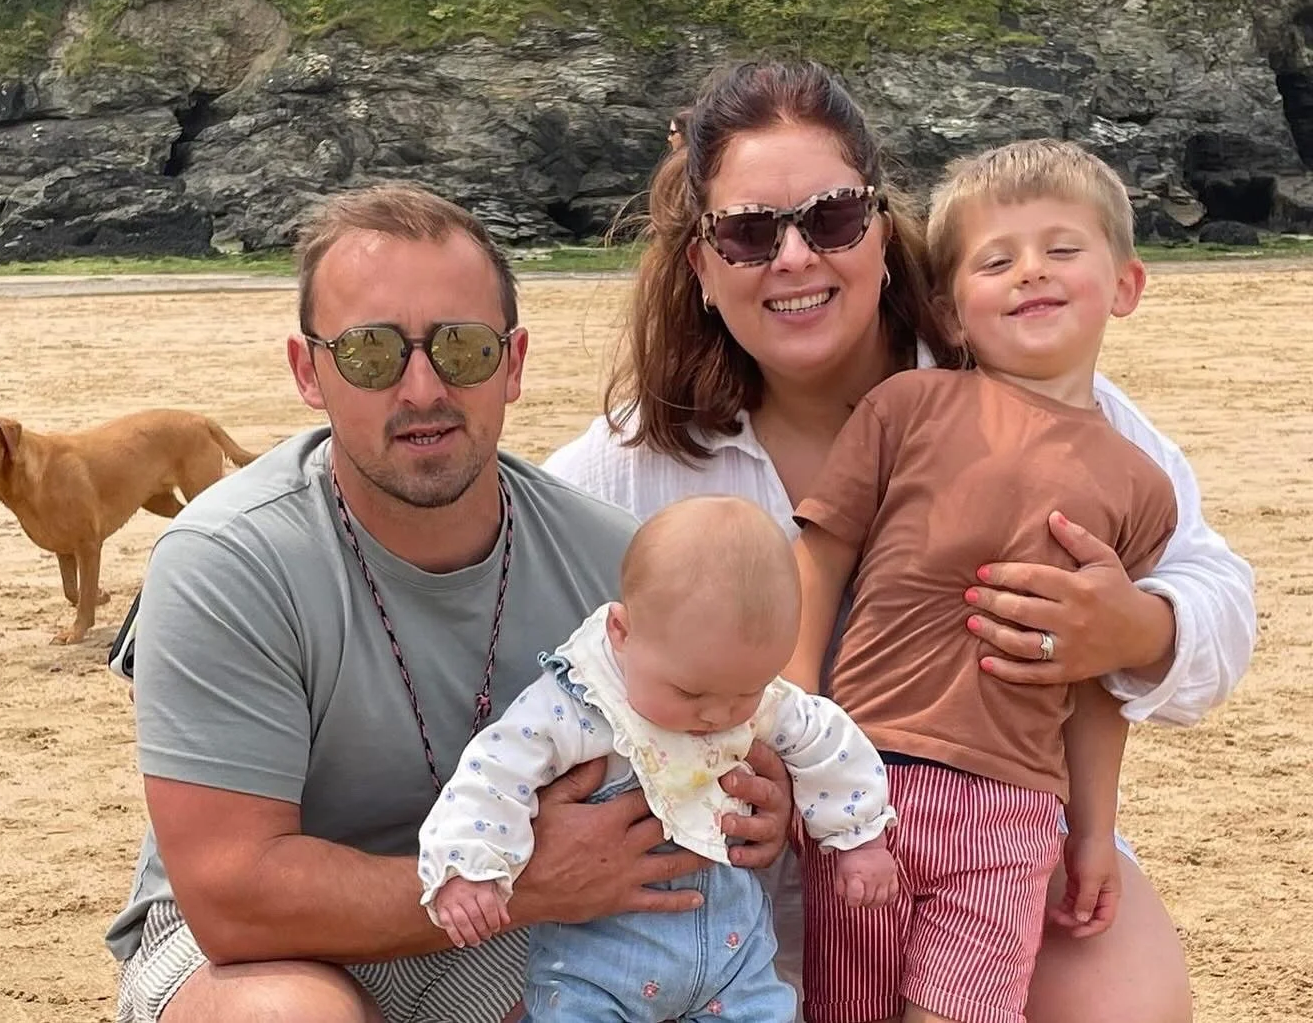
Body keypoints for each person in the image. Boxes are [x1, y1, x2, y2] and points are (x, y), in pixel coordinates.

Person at [543, 59, 1257, 1023]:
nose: (794, 257)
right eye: (750, 233)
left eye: (832, 217)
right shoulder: (628, 464)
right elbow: (506, 607)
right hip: (728, 910)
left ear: (883, 236)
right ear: (702, 268)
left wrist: (1135, 630)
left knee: (1122, 1000)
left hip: (995, 856)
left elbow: (1219, 600)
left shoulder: (1034, 400)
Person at [104, 182, 795, 1023]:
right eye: (370, 352)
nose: (423, 387)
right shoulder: (231, 560)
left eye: (462, 348)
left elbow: (727, 737)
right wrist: (530, 882)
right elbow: (234, 896)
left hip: (519, 920)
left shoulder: (617, 562)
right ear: (308, 370)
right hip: (270, 946)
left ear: (513, 363)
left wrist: (758, 803)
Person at [786, 137, 1179, 1023]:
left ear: (1124, 284)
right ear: (953, 314)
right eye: (997, 259)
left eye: (1063, 249)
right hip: (863, 781)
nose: (1031, 272)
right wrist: (799, 719)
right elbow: (818, 555)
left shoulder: (1140, 482)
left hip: (1012, 812)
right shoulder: (907, 408)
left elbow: (1099, 678)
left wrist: (1091, 831)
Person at [418, 494, 898, 1021]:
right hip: (598, 963)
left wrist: (858, 836)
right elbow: (495, 770)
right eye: (691, 695)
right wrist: (469, 865)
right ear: (623, 635)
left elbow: (826, 739)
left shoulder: (752, 692)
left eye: (745, 694)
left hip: (732, 956)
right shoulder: (582, 701)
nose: (718, 715)